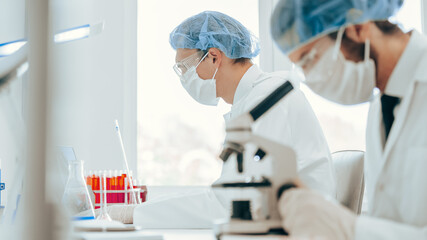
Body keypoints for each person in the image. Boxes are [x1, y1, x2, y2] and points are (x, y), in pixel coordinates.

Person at [271, 0, 427, 239]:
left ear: (357, 28)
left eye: (310, 59)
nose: (313, 79)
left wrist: (348, 228)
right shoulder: (381, 108)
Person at [170, 11, 336, 197]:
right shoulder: (250, 100)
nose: (184, 77)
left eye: (184, 67)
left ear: (214, 57)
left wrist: (140, 213)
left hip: (303, 219)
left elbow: (238, 195)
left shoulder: (268, 97)